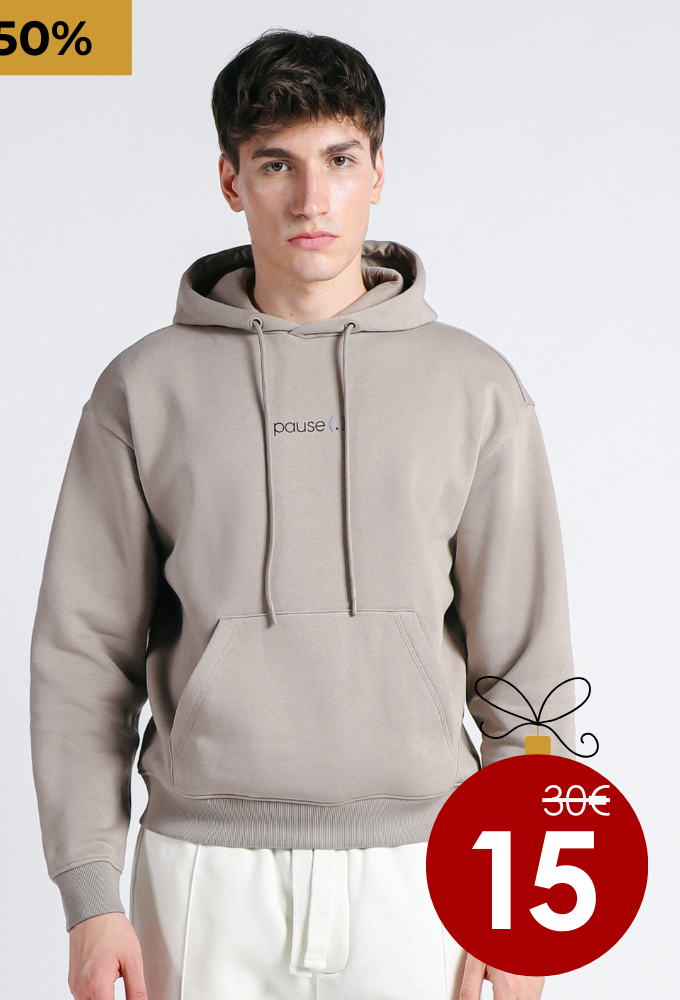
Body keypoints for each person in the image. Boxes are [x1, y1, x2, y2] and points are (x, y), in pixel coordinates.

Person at [30, 28, 575, 1000]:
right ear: (231, 180)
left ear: (378, 172)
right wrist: (89, 894)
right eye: (277, 163)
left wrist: (524, 894)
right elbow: (82, 657)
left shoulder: (475, 388)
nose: (312, 199)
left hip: (427, 866)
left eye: (340, 160)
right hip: (202, 873)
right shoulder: (144, 389)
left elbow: (528, 664)